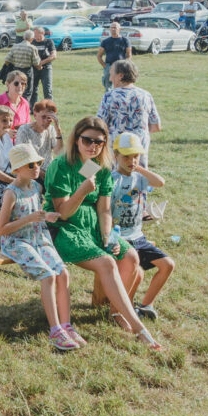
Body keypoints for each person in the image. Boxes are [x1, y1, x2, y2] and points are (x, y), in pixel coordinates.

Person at [44, 118, 157, 348]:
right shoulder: (61, 165)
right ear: (76, 139)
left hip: (93, 227)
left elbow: (105, 209)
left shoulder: (99, 167)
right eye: (87, 140)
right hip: (63, 229)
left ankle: (117, 312)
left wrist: (109, 237)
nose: (92, 146)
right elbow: (63, 213)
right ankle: (139, 328)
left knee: (130, 256)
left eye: (99, 142)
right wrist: (82, 191)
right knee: (107, 262)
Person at [0, 144, 80, 351]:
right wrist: (30, 219)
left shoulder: (36, 187)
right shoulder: (11, 193)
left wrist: (45, 216)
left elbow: (37, 212)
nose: (37, 168)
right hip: (17, 241)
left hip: (38, 237)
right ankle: (55, 330)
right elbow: (1, 229)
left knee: (63, 273)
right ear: (17, 169)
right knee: (48, 276)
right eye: (31, 164)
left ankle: (66, 325)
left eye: (39, 163)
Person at [110, 132, 175, 321]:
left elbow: (160, 182)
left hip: (138, 237)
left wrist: (139, 168)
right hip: (121, 238)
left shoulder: (140, 178)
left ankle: (146, 305)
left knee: (167, 265)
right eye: (126, 156)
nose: (132, 160)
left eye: (136, 156)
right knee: (136, 272)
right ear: (116, 156)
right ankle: (120, 310)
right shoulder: (113, 180)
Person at [96, 59, 160, 167]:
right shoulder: (146, 95)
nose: (110, 79)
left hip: (117, 152)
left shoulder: (110, 96)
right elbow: (156, 126)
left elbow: (99, 125)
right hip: (139, 150)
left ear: (120, 76)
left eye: (111, 75)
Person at [15, 99, 64, 182]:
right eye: (43, 117)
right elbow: (24, 160)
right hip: (30, 172)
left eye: (49, 118)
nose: (46, 121)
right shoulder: (24, 130)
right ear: (35, 114)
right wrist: (47, 176)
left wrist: (58, 131)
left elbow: (59, 152)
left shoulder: (51, 130)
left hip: (48, 171)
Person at [4, 32, 40, 102]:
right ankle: (24, 107)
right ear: (32, 39)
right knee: (27, 91)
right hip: (27, 71)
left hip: (16, 71)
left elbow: (7, 60)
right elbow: (36, 63)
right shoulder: (32, 48)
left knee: (15, 89)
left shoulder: (15, 46)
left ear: (23, 37)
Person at [97, 21, 132, 91]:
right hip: (109, 66)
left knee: (122, 85)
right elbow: (99, 56)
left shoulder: (125, 41)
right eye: (112, 28)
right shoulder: (105, 42)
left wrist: (125, 65)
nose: (113, 29)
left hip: (121, 66)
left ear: (119, 29)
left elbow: (129, 55)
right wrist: (105, 66)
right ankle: (108, 100)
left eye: (115, 27)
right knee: (108, 86)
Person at [30, 26, 57, 101]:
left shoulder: (49, 42)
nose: (34, 36)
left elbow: (54, 56)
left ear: (42, 33)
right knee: (33, 89)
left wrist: (41, 63)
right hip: (34, 68)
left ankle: (49, 109)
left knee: (47, 89)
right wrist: (36, 64)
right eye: (33, 34)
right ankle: (33, 108)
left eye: (36, 34)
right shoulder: (32, 42)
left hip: (46, 68)